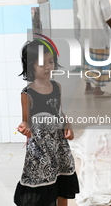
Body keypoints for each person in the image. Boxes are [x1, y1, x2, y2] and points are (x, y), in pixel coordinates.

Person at [14, 39, 79, 206]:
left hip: (59, 147)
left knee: (62, 188)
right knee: (42, 194)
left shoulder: (57, 87)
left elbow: (59, 113)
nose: (48, 67)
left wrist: (68, 125)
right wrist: (24, 128)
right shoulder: (27, 93)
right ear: (31, 66)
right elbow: (25, 121)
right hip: (40, 151)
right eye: (42, 63)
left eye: (51, 61)